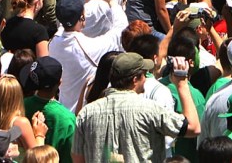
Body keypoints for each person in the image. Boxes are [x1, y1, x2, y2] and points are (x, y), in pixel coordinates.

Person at [71, 52, 201, 163]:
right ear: (135, 79)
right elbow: (193, 128)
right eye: (144, 74)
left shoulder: (86, 114)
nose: (146, 78)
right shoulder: (150, 110)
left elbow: (77, 158)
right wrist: (182, 84)